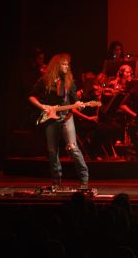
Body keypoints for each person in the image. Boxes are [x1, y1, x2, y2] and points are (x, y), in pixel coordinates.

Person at [28, 53, 89, 190]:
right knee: (52, 151)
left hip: (66, 117)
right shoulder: (45, 80)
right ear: (57, 65)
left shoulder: (69, 81)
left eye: (68, 64)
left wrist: (79, 104)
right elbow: (31, 96)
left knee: (73, 148)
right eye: (64, 64)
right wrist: (42, 106)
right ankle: (56, 181)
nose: (67, 66)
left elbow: (75, 100)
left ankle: (84, 179)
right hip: (51, 118)